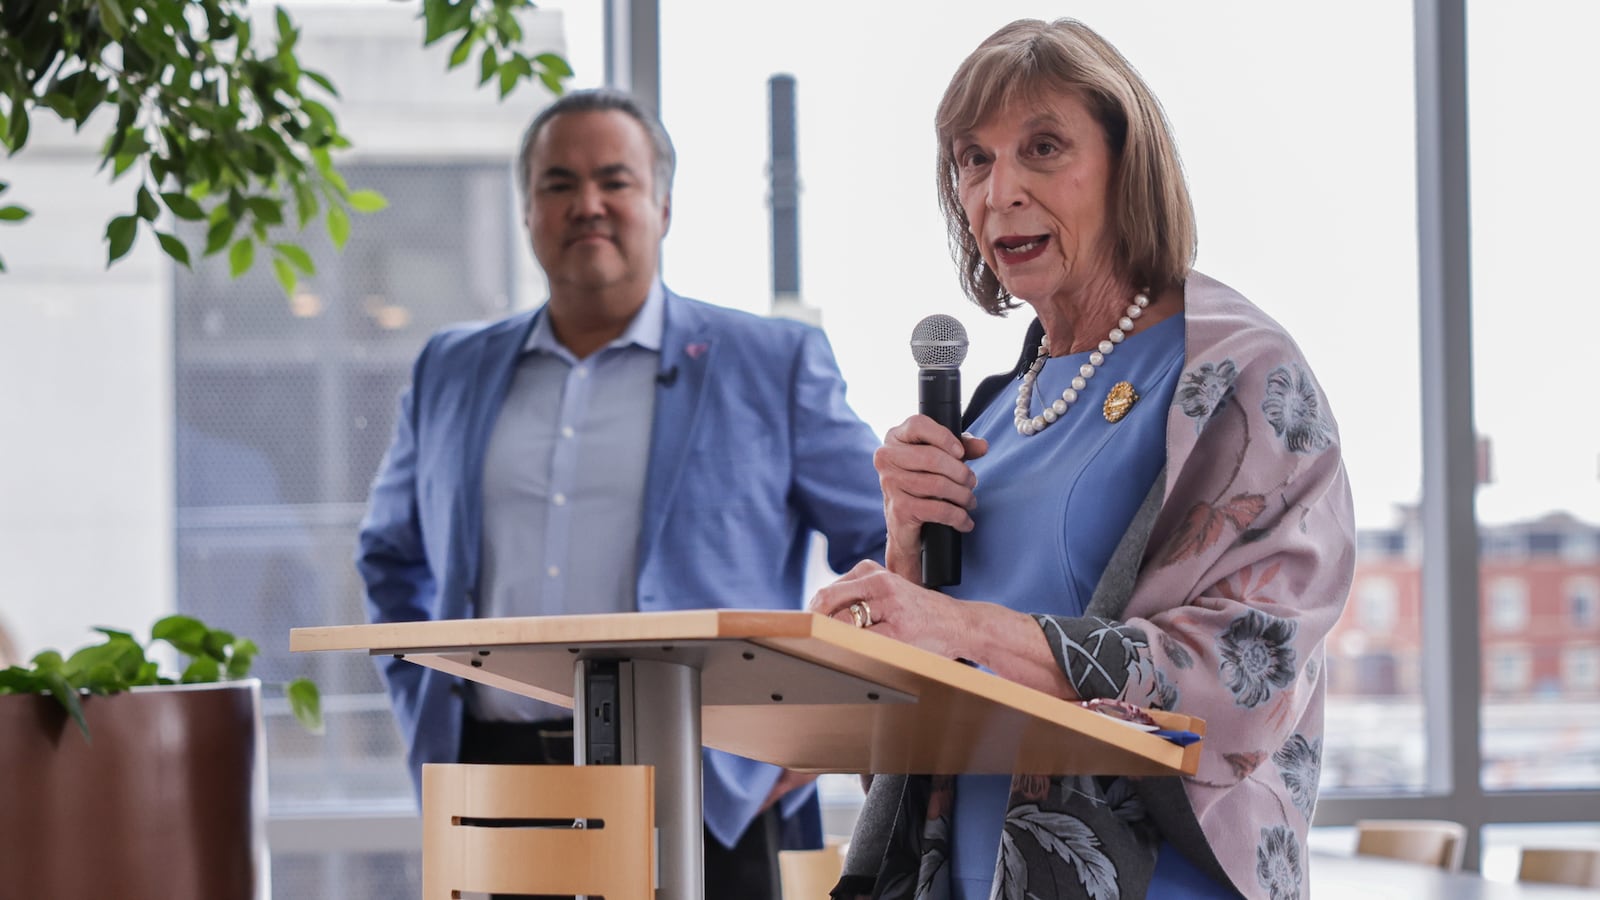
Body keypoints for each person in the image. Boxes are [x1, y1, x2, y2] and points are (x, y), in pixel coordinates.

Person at [810, 19, 1354, 900]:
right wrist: (904, 566)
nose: (999, 192)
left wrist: (953, 626)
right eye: (972, 160)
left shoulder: (1238, 378)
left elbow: (1247, 677)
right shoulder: (996, 407)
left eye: (1043, 148)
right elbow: (904, 760)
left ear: (1124, 162)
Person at [357, 87, 887, 898]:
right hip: (498, 791)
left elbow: (889, 551)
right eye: (558, 184)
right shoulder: (450, 369)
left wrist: (828, 728)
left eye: (615, 180)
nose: (588, 205)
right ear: (527, 209)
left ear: (664, 205)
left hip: (711, 794)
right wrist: (427, 704)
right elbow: (391, 559)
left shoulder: (771, 363)